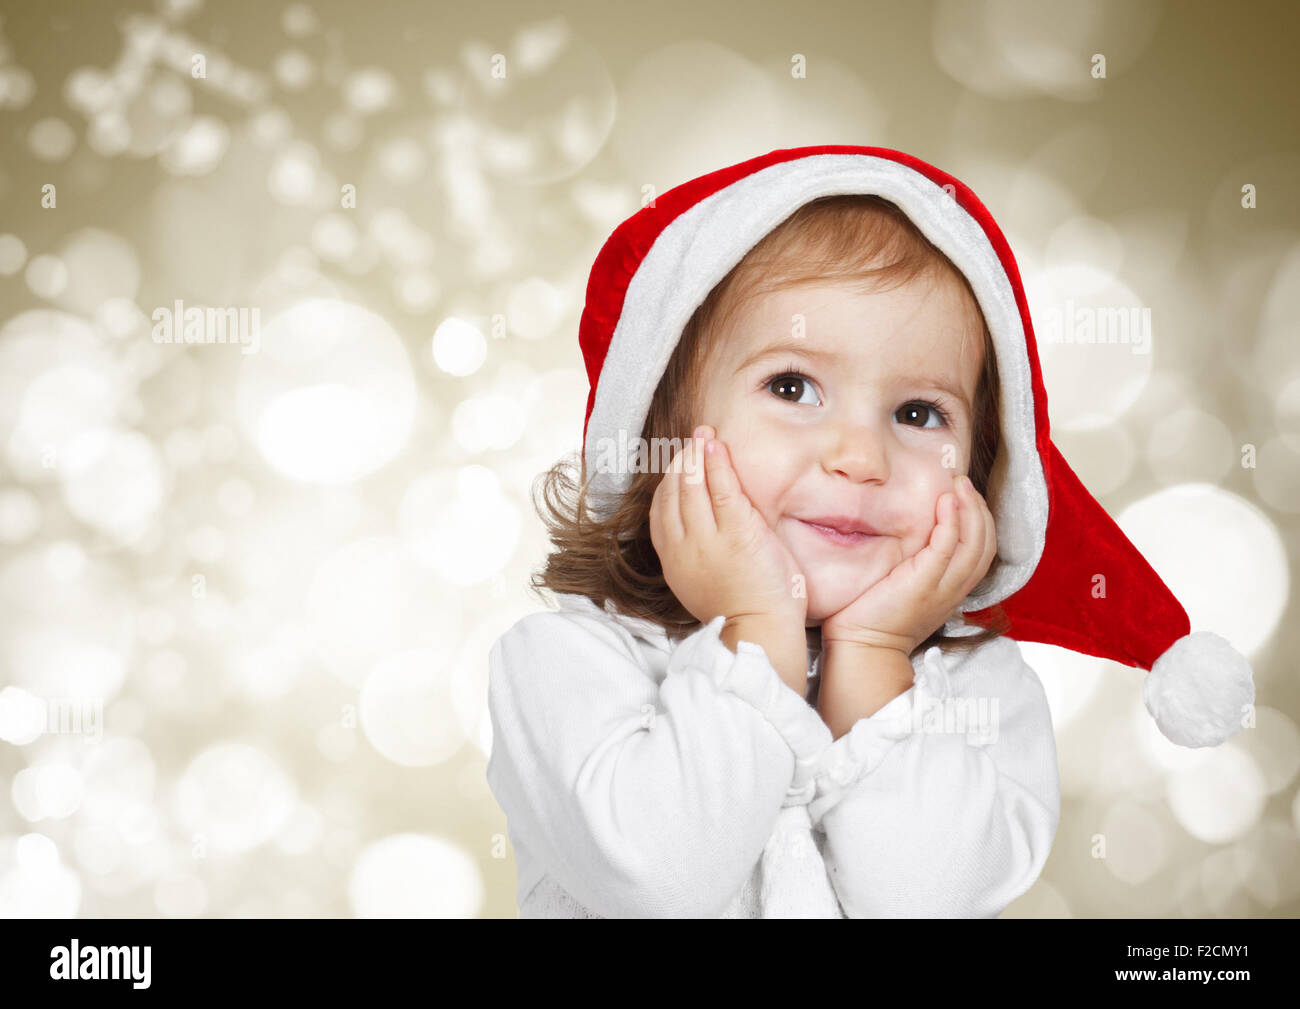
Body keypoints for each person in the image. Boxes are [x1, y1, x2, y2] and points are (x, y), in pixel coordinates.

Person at [485, 146, 1256, 919]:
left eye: (919, 413)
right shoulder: (563, 665)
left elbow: (922, 903)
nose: (860, 457)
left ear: (982, 473)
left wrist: (876, 658)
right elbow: (661, 879)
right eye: (792, 386)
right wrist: (757, 630)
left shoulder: (984, 688)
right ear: (663, 424)